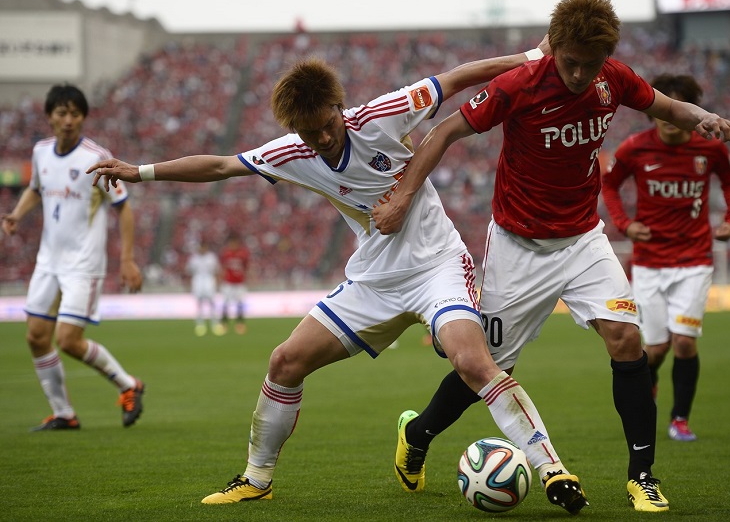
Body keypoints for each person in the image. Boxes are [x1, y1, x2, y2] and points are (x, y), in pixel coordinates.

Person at [88, 49, 588, 513]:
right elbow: (221, 165)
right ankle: (255, 479)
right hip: (374, 279)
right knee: (284, 361)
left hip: (437, 265)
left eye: (327, 124)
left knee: (473, 361)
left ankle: (552, 468)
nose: (322, 139)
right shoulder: (291, 153)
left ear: (338, 106)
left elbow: (458, 78)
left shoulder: (384, 114)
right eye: (310, 133)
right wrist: (141, 172)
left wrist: (533, 56)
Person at [373, 0, 730, 513]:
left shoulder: (613, 76)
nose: (580, 75)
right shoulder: (519, 84)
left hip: (583, 239)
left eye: (590, 65)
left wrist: (701, 116)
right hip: (519, 247)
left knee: (626, 339)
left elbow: (664, 105)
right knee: (484, 367)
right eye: (571, 62)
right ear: (554, 48)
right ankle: (419, 434)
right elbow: (448, 129)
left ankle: (642, 475)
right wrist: (405, 195)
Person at [601, 74, 730, 442]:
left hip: (694, 258)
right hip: (648, 262)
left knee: (683, 342)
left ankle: (680, 418)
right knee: (657, 348)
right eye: (662, 106)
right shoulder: (635, 149)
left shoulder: (709, 149)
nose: (666, 116)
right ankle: (651, 381)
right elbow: (610, 184)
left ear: (689, 111)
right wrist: (625, 224)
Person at [1, 83, 145, 431]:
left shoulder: (96, 158)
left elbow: (123, 209)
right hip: (48, 260)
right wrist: (18, 214)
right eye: (62, 113)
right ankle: (63, 412)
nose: (69, 120)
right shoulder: (40, 152)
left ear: (83, 117)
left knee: (67, 340)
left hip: (84, 264)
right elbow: (37, 189)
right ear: (49, 117)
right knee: (36, 336)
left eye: (75, 113)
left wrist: (127, 259)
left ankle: (129, 385)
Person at [186, 239, 224, 337]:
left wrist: (217, 282)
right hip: (198, 280)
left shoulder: (211, 257)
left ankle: (215, 324)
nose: (202, 249)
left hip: (209, 280)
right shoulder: (194, 258)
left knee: (212, 303)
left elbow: (217, 270)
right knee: (199, 304)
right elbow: (189, 271)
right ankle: (200, 325)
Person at [218, 232, 250, 335]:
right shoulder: (226, 254)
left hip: (239, 283)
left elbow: (246, 267)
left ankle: (240, 324)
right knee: (225, 303)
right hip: (228, 283)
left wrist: (248, 278)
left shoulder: (243, 254)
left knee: (240, 304)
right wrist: (220, 279)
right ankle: (224, 324)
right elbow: (223, 267)